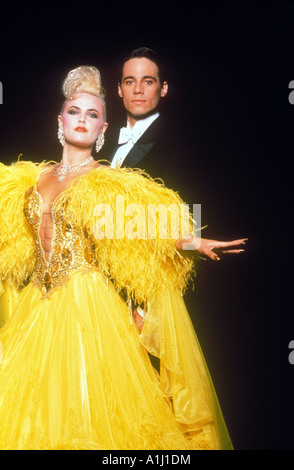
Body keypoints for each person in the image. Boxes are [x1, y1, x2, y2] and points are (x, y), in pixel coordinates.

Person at [0, 65, 234, 450]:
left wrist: (194, 243)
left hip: (87, 306)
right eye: (75, 111)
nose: (83, 120)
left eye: (93, 115)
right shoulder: (32, 179)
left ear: (102, 131)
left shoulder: (103, 182)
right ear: (60, 121)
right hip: (37, 305)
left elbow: (141, 225)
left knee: (91, 411)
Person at [106, 47, 246, 262]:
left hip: (148, 271)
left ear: (164, 89)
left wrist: (193, 242)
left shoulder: (182, 147)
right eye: (130, 81)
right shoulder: (101, 140)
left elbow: (194, 218)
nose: (138, 90)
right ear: (119, 89)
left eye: (148, 81)